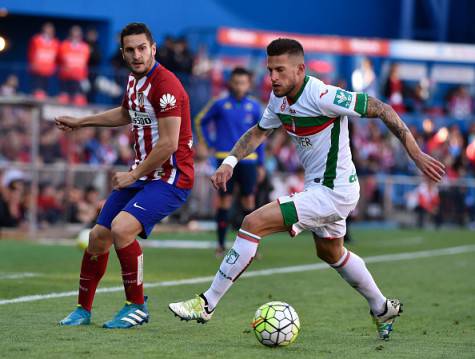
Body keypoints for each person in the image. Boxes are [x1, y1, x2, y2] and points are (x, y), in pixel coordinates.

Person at [169, 38, 445, 340]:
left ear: (300, 70)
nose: (272, 77)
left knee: (252, 223)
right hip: (321, 188)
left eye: (280, 70)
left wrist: (415, 152)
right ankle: (381, 308)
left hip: (334, 191)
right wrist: (231, 161)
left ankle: (206, 303)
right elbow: (259, 131)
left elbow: (380, 108)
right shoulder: (279, 98)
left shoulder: (323, 95)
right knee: (331, 252)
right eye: (270, 69)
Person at [56, 22, 194, 329]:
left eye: (142, 48)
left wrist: (132, 175)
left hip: (171, 178)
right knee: (97, 238)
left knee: (121, 229)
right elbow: (125, 112)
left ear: (153, 48)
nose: (136, 55)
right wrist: (82, 122)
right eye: (130, 50)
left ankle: (137, 305)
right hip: (144, 175)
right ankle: (82, 309)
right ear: (123, 53)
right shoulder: (134, 80)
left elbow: (169, 143)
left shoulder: (166, 85)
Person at [195, 67, 264, 256]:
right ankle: (220, 244)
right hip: (224, 158)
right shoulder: (219, 103)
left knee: (248, 202)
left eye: (243, 82)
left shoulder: (255, 106)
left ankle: (251, 248)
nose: (239, 85)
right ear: (230, 83)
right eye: (236, 82)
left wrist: (261, 163)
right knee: (224, 201)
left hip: (249, 159)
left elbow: (261, 136)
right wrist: (209, 143)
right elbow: (200, 120)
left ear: (248, 84)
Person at [57, 26, 90, 105]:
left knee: (78, 99)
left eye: (78, 35)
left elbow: (86, 61)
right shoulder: (64, 45)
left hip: (79, 77)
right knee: (64, 98)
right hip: (66, 76)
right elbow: (59, 59)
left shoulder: (85, 47)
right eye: (73, 35)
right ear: (70, 35)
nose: (76, 37)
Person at [27, 22, 59, 100]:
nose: (49, 31)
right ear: (43, 29)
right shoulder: (36, 39)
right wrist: (32, 64)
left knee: (45, 86)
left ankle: (44, 96)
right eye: (47, 29)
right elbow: (31, 53)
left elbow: (57, 56)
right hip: (37, 68)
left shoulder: (55, 42)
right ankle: (36, 95)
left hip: (49, 69)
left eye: (51, 30)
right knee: (37, 86)